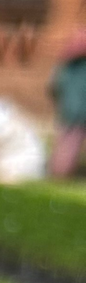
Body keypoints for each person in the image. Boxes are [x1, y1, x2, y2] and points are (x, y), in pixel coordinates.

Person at [49, 31, 86, 178]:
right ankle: (60, 174)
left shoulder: (64, 67)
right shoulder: (69, 68)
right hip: (76, 111)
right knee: (69, 143)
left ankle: (59, 173)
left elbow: (53, 87)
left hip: (69, 110)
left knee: (67, 143)